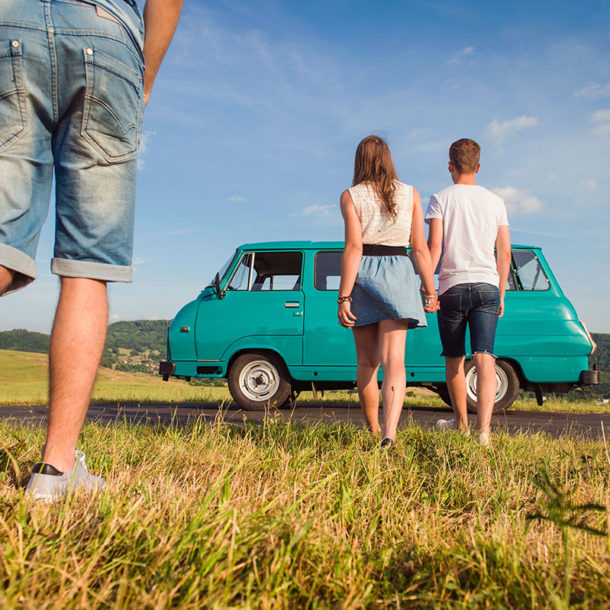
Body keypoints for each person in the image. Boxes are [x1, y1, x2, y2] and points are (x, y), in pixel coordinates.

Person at [0, 0, 183, 500]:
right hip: (104, 31)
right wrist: (143, 74)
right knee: (87, 264)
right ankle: (55, 472)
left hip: (9, 22)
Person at [338, 135, 438, 448]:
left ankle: (371, 429)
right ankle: (389, 434)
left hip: (364, 272)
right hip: (397, 269)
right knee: (395, 359)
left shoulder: (350, 196)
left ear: (359, 161)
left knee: (367, 362)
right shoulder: (411, 193)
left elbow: (353, 247)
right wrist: (430, 290)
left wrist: (343, 297)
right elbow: (420, 248)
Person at [426, 138, 511, 446]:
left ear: (450, 165)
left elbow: (434, 247)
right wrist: (501, 292)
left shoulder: (440, 198)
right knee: (485, 357)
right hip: (488, 285)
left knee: (454, 359)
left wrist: (427, 287)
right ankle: (484, 432)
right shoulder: (496, 201)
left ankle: (461, 424)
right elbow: (504, 253)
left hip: (452, 287)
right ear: (478, 166)